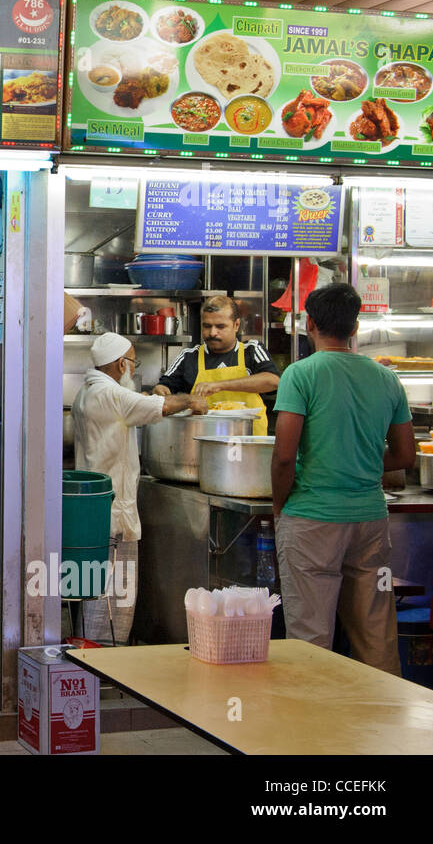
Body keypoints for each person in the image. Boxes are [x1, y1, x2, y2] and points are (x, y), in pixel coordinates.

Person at [271, 283, 410, 674]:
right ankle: (380, 727)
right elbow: (404, 455)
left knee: (312, 638)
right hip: (370, 520)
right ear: (355, 327)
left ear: (310, 323)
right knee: (375, 632)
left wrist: (280, 506)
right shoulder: (386, 379)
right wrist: (360, 464)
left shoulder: (301, 375)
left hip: (312, 519)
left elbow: (284, 457)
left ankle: (313, 728)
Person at [73, 333, 208, 645]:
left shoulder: (90, 390)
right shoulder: (108, 393)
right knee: (113, 596)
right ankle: (103, 661)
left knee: (99, 591)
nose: (132, 369)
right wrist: (189, 399)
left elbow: (139, 404)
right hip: (113, 515)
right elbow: (157, 406)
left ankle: (92, 657)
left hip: (97, 511)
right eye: (132, 363)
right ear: (121, 363)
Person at [152, 295, 280, 435]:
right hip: (201, 442)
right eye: (207, 326)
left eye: (220, 326)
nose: (212, 333)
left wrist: (219, 385)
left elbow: (273, 381)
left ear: (236, 325)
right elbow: (163, 386)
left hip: (248, 442)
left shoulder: (252, 350)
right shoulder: (189, 356)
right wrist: (161, 392)